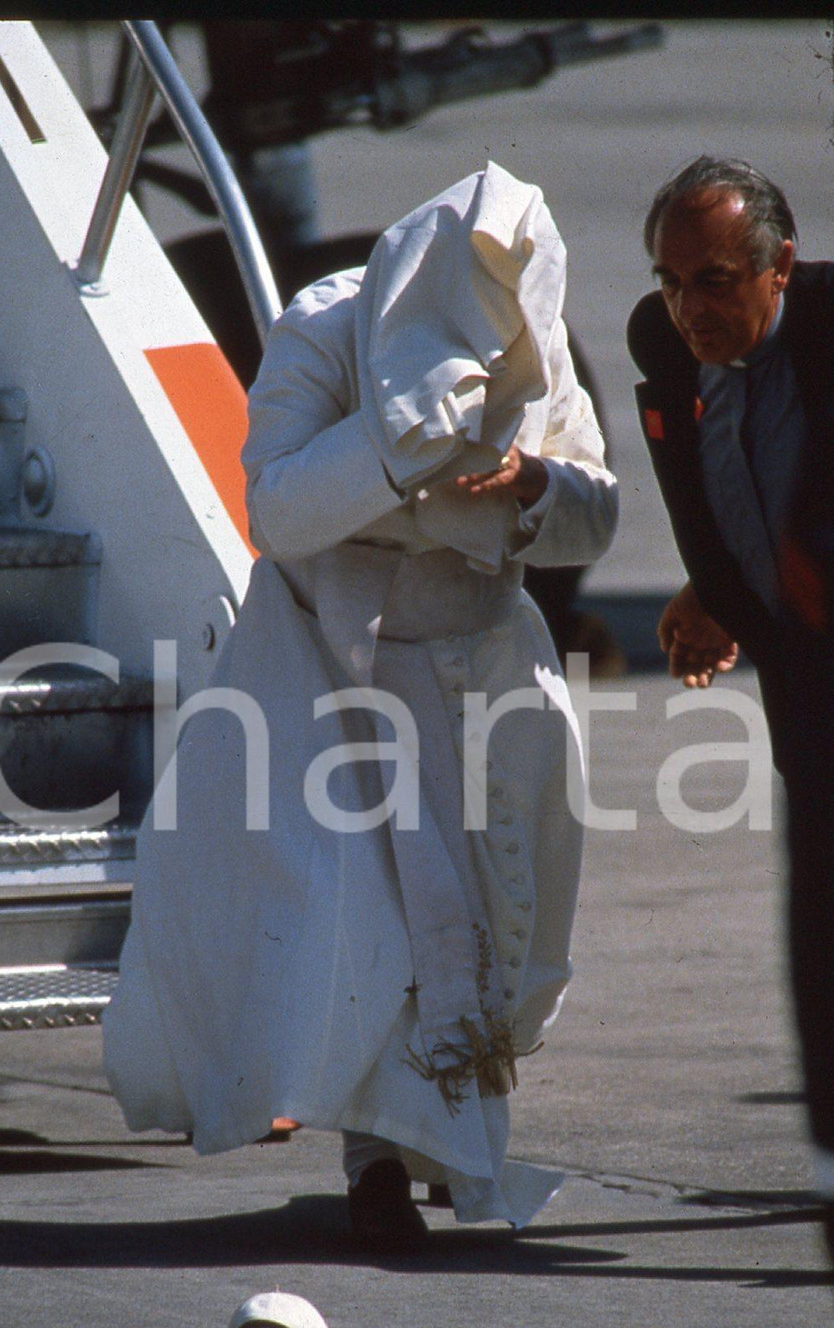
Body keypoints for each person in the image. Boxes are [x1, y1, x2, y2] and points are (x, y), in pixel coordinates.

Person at [103, 163, 618, 1252]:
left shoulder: (536, 346)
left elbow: (592, 517)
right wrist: (397, 450)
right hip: (337, 659)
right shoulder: (323, 330)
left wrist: (529, 485)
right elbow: (276, 508)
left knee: (503, 914)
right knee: (369, 919)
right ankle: (373, 1162)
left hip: (484, 656)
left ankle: (444, 1140)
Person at [627, 156, 834, 1249]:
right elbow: (718, 476)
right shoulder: (662, 346)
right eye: (670, 280)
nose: (688, 308)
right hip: (803, 686)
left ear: (780, 266)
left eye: (713, 280)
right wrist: (714, 588)